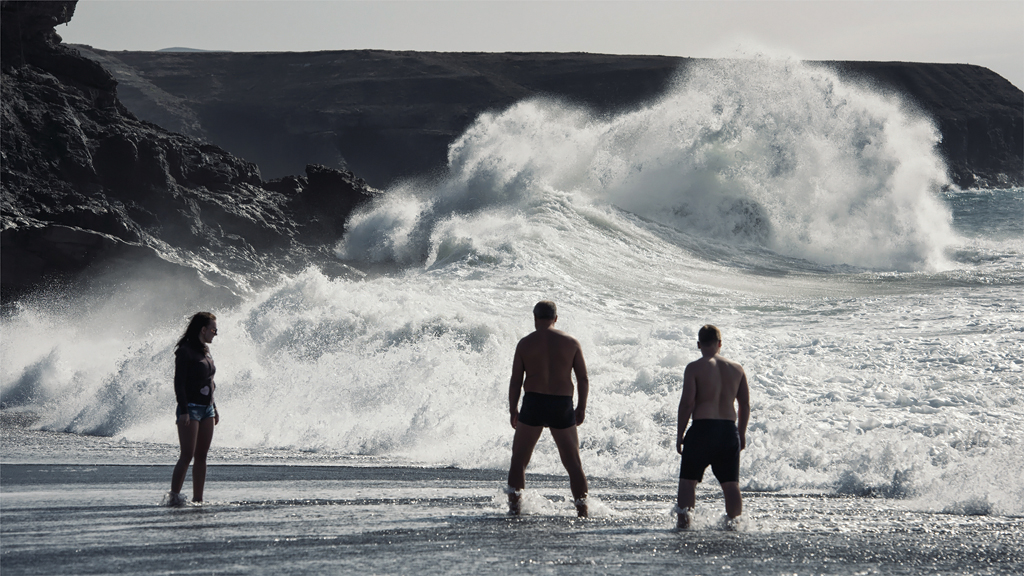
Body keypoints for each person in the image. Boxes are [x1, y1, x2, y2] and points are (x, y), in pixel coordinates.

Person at [506, 301, 590, 518]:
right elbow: (583, 378)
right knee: (573, 462)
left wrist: (513, 409)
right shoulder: (571, 343)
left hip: (533, 403)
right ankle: (582, 511)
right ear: (556, 318)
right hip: (561, 404)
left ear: (535, 319)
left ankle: (515, 510)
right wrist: (581, 407)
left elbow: (516, 381)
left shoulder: (525, 344)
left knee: (519, 461)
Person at [675, 324, 750, 529]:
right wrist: (741, 434)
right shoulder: (737, 368)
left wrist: (680, 433)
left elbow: (688, 403)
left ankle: (684, 524)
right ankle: (734, 525)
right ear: (720, 343)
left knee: (688, 482)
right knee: (730, 484)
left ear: (699, 344)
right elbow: (744, 404)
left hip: (702, 430)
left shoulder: (694, 367)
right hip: (728, 431)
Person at [166, 312, 220, 506]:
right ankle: (173, 496)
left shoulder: (205, 351)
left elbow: (210, 381)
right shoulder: (185, 351)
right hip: (191, 409)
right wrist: (184, 410)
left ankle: (198, 499)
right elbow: (179, 383)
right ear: (203, 329)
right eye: (213, 329)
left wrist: (214, 406)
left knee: (202, 456)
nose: (215, 333)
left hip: (207, 409)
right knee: (187, 455)